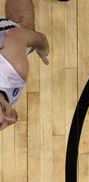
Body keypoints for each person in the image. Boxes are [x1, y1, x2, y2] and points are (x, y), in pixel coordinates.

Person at [0, 0, 49, 130]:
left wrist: (42, 44)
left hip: (10, 42)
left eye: (4, 109)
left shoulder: (13, 66)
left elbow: (20, 35)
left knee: (24, 27)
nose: (13, 119)